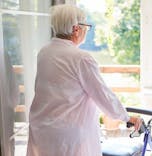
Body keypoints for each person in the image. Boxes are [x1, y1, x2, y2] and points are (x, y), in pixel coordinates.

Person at [26, 4, 142, 156]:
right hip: (69, 137)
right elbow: (103, 95)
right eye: (86, 26)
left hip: (42, 131)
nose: (86, 30)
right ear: (76, 29)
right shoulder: (81, 59)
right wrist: (127, 117)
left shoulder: (44, 53)